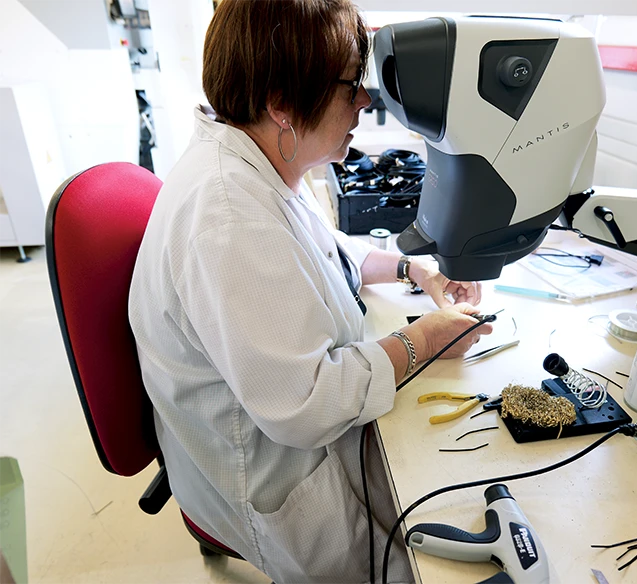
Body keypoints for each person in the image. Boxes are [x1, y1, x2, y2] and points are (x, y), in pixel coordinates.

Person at [128, 1, 493, 582]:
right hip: (281, 478)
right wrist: (421, 340)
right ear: (282, 102)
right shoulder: (229, 218)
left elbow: (326, 253)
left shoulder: (260, 158)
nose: (365, 102)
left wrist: (414, 272)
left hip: (295, 433)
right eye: (351, 85)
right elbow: (308, 405)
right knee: (432, 564)